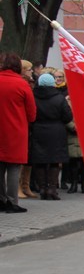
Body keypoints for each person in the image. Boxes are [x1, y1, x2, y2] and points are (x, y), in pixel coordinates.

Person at [0, 53, 37, 213]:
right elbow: (32, 114)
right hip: (16, 131)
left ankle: (0, 200)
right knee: (14, 168)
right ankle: (12, 201)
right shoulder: (22, 85)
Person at [29, 73, 73, 201]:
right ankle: (52, 189)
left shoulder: (33, 96)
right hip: (56, 131)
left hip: (38, 130)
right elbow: (68, 117)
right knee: (54, 161)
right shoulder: (59, 98)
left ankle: (42, 188)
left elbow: (30, 113)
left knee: (40, 161)